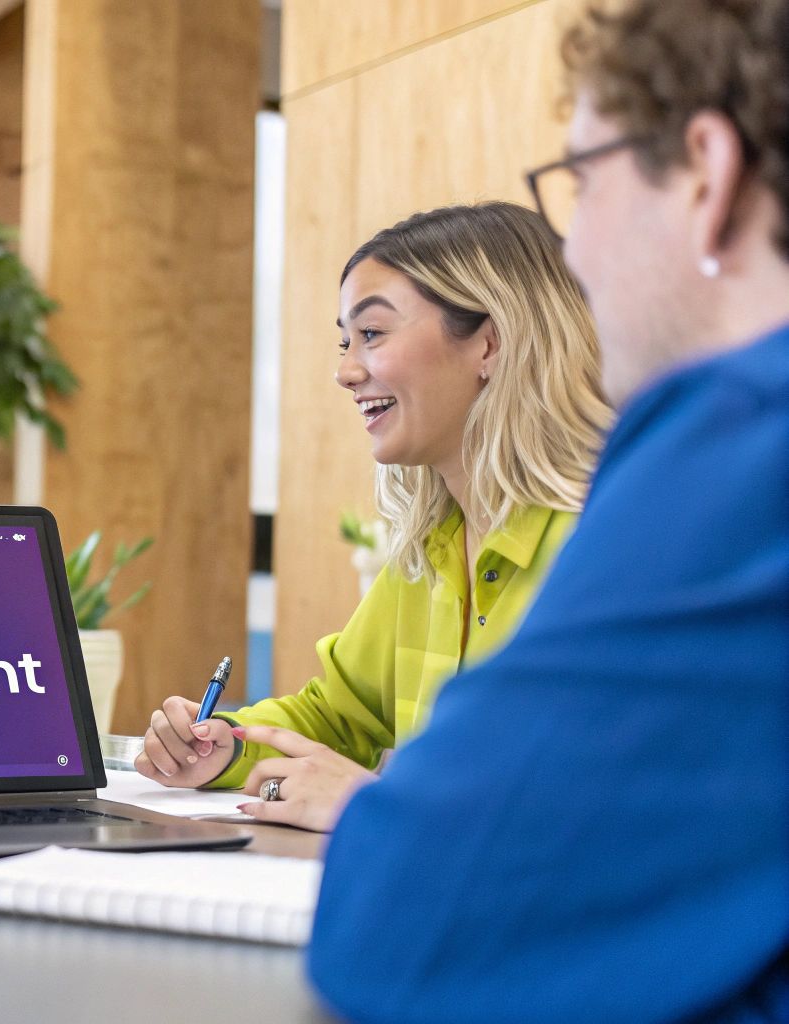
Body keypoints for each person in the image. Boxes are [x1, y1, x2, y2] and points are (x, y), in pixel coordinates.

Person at [309, 1, 789, 1020]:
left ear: (704, 174)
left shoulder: (736, 445)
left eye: (579, 184)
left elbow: (404, 920)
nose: (567, 257)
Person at [135, 202, 612, 832]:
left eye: (374, 333)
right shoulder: (433, 553)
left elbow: (607, 803)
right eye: (345, 341)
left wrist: (383, 807)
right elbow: (337, 714)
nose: (345, 371)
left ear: (489, 344)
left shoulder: (607, 548)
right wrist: (223, 742)